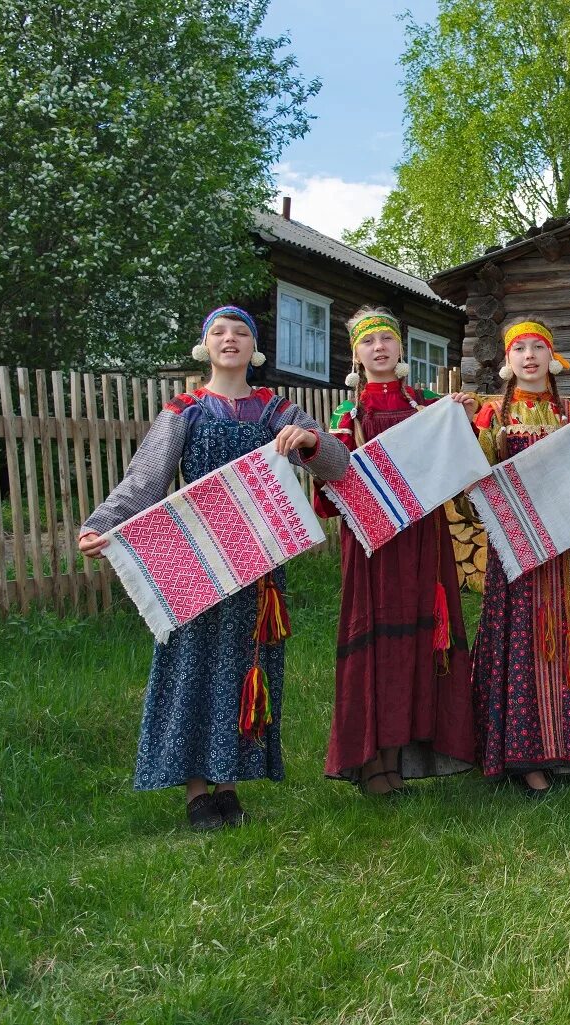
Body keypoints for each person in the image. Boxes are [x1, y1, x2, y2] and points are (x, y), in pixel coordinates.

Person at [78, 306, 348, 830]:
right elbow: (145, 481)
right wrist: (103, 522)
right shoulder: (184, 409)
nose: (231, 340)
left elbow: (337, 464)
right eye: (219, 333)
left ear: (255, 349)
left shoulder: (278, 411)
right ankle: (196, 792)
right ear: (206, 346)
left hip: (261, 563)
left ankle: (229, 784)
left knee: (246, 667)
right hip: (198, 559)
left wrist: (311, 442)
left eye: (241, 333)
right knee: (194, 666)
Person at [316, 307, 478, 796]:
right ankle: (370, 758)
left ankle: (403, 754)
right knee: (377, 639)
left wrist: (464, 421)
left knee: (418, 639)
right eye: (369, 342)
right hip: (370, 544)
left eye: (387, 339)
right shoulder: (347, 416)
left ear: (401, 348)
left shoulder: (429, 404)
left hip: (423, 537)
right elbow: (329, 494)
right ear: (356, 354)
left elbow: (460, 465)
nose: (379, 348)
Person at [468, 317, 570, 795]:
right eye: (519, 349)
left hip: (561, 546)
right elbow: (475, 483)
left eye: (538, 347)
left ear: (554, 357)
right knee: (519, 640)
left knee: (561, 637)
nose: (529, 356)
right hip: (511, 547)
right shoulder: (489, 416)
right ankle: (521, 754)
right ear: (507, 362)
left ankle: (568, 746)